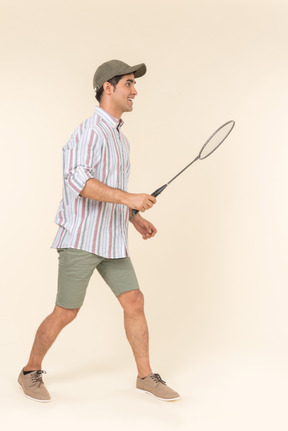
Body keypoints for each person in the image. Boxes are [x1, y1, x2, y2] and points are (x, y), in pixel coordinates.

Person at [18, 60, 180, 403]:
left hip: (112, 239)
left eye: (134, 85)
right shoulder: (89, 131)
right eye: (129, 84)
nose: (135, 91)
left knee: (134, 300)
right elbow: (79, 182)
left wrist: (132, 215)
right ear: (108, 87)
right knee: (67, 311)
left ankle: (145, 375)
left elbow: (111, 188)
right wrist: (129, 197)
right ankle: (30, 371)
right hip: (81, 237)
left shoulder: (121, 140)